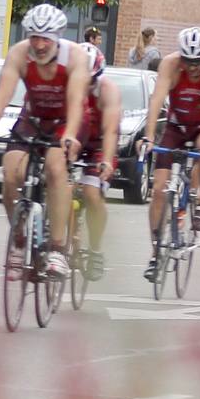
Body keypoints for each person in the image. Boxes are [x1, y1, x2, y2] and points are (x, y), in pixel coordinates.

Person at [0, 3, 91, 279]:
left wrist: (71, 135)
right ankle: (19, 236)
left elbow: (77, 102)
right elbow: (4, 91)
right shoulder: (19, 53)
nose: (39, 45)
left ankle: (58, 249)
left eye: (45, 38)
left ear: (58, 37)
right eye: (34, 37)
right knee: (11, 170)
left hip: (67, 121)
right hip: (34, 118)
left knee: (55, 168)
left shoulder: (74, 57)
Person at [141, 26, 200, 283]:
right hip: (176, 126)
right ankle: (156, 252)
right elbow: (156, 100)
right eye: (187, 60)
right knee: (158, 190)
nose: (192, 66)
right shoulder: (169, 65)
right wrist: (147, 137)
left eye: (197, 61)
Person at [71, 43, 121, 281]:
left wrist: (107, 161)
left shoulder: (108, 91)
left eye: (90, 81)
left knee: (92, 194)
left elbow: (111, 130)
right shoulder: (66, 87)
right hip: (74, 141)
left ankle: (96, 249)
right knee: (59, 185)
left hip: (100, 145)